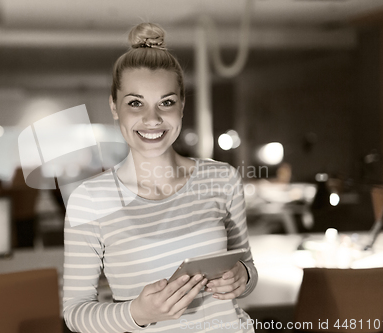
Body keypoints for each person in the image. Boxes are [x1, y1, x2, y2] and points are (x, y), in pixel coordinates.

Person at [63, 23, 258, 333]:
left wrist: (242, 277)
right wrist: (137, 312)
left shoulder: (222, 178)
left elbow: (247, 269)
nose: (151, 119)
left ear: (182, 105)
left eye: (166, 102)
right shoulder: (90, 200)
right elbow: (75, 313)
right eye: (135, 103)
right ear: (114, 106)